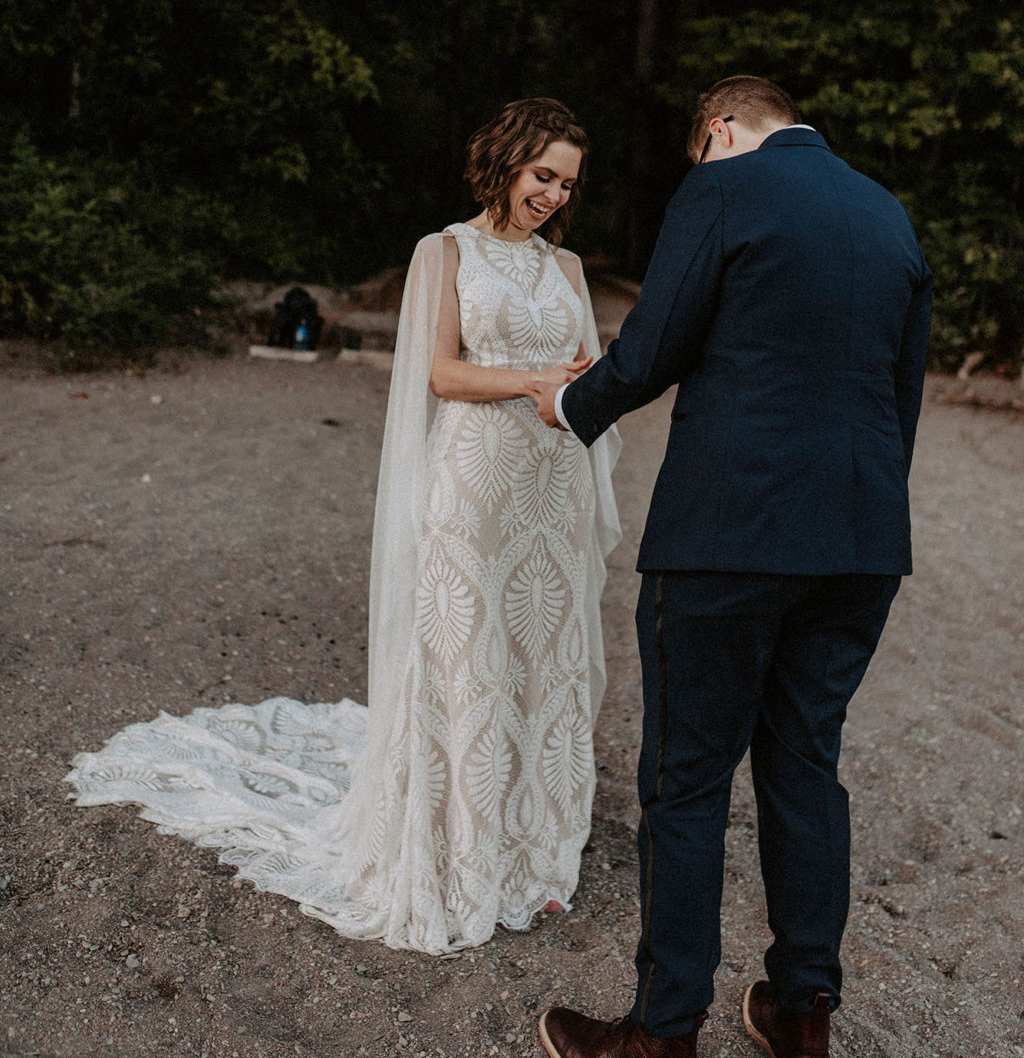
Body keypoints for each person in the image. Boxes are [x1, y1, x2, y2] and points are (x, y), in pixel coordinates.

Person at [66, 97, 620, 954]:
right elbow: (439, 374)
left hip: (551, 488)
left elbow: (587, 371)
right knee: (469, 658)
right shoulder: (445, 252)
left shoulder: (572, 270)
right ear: (506, 161)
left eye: (567, 183)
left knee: (539, 658)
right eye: (542, 174)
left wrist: (581, 381)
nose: (553, 194)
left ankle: (529, 848)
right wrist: (534, 380)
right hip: (476, 482)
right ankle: (460, 853)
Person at [528, 76, 932, 1058]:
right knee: (805, 765)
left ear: (718, 130)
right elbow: (902, 393)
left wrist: (572, 406)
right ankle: (800, 1011)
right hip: (859, 539)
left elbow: (653, 344)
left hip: (728, 535)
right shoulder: (888, 215)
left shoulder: (722, 189)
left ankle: (662, 1030)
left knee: (687, 780)